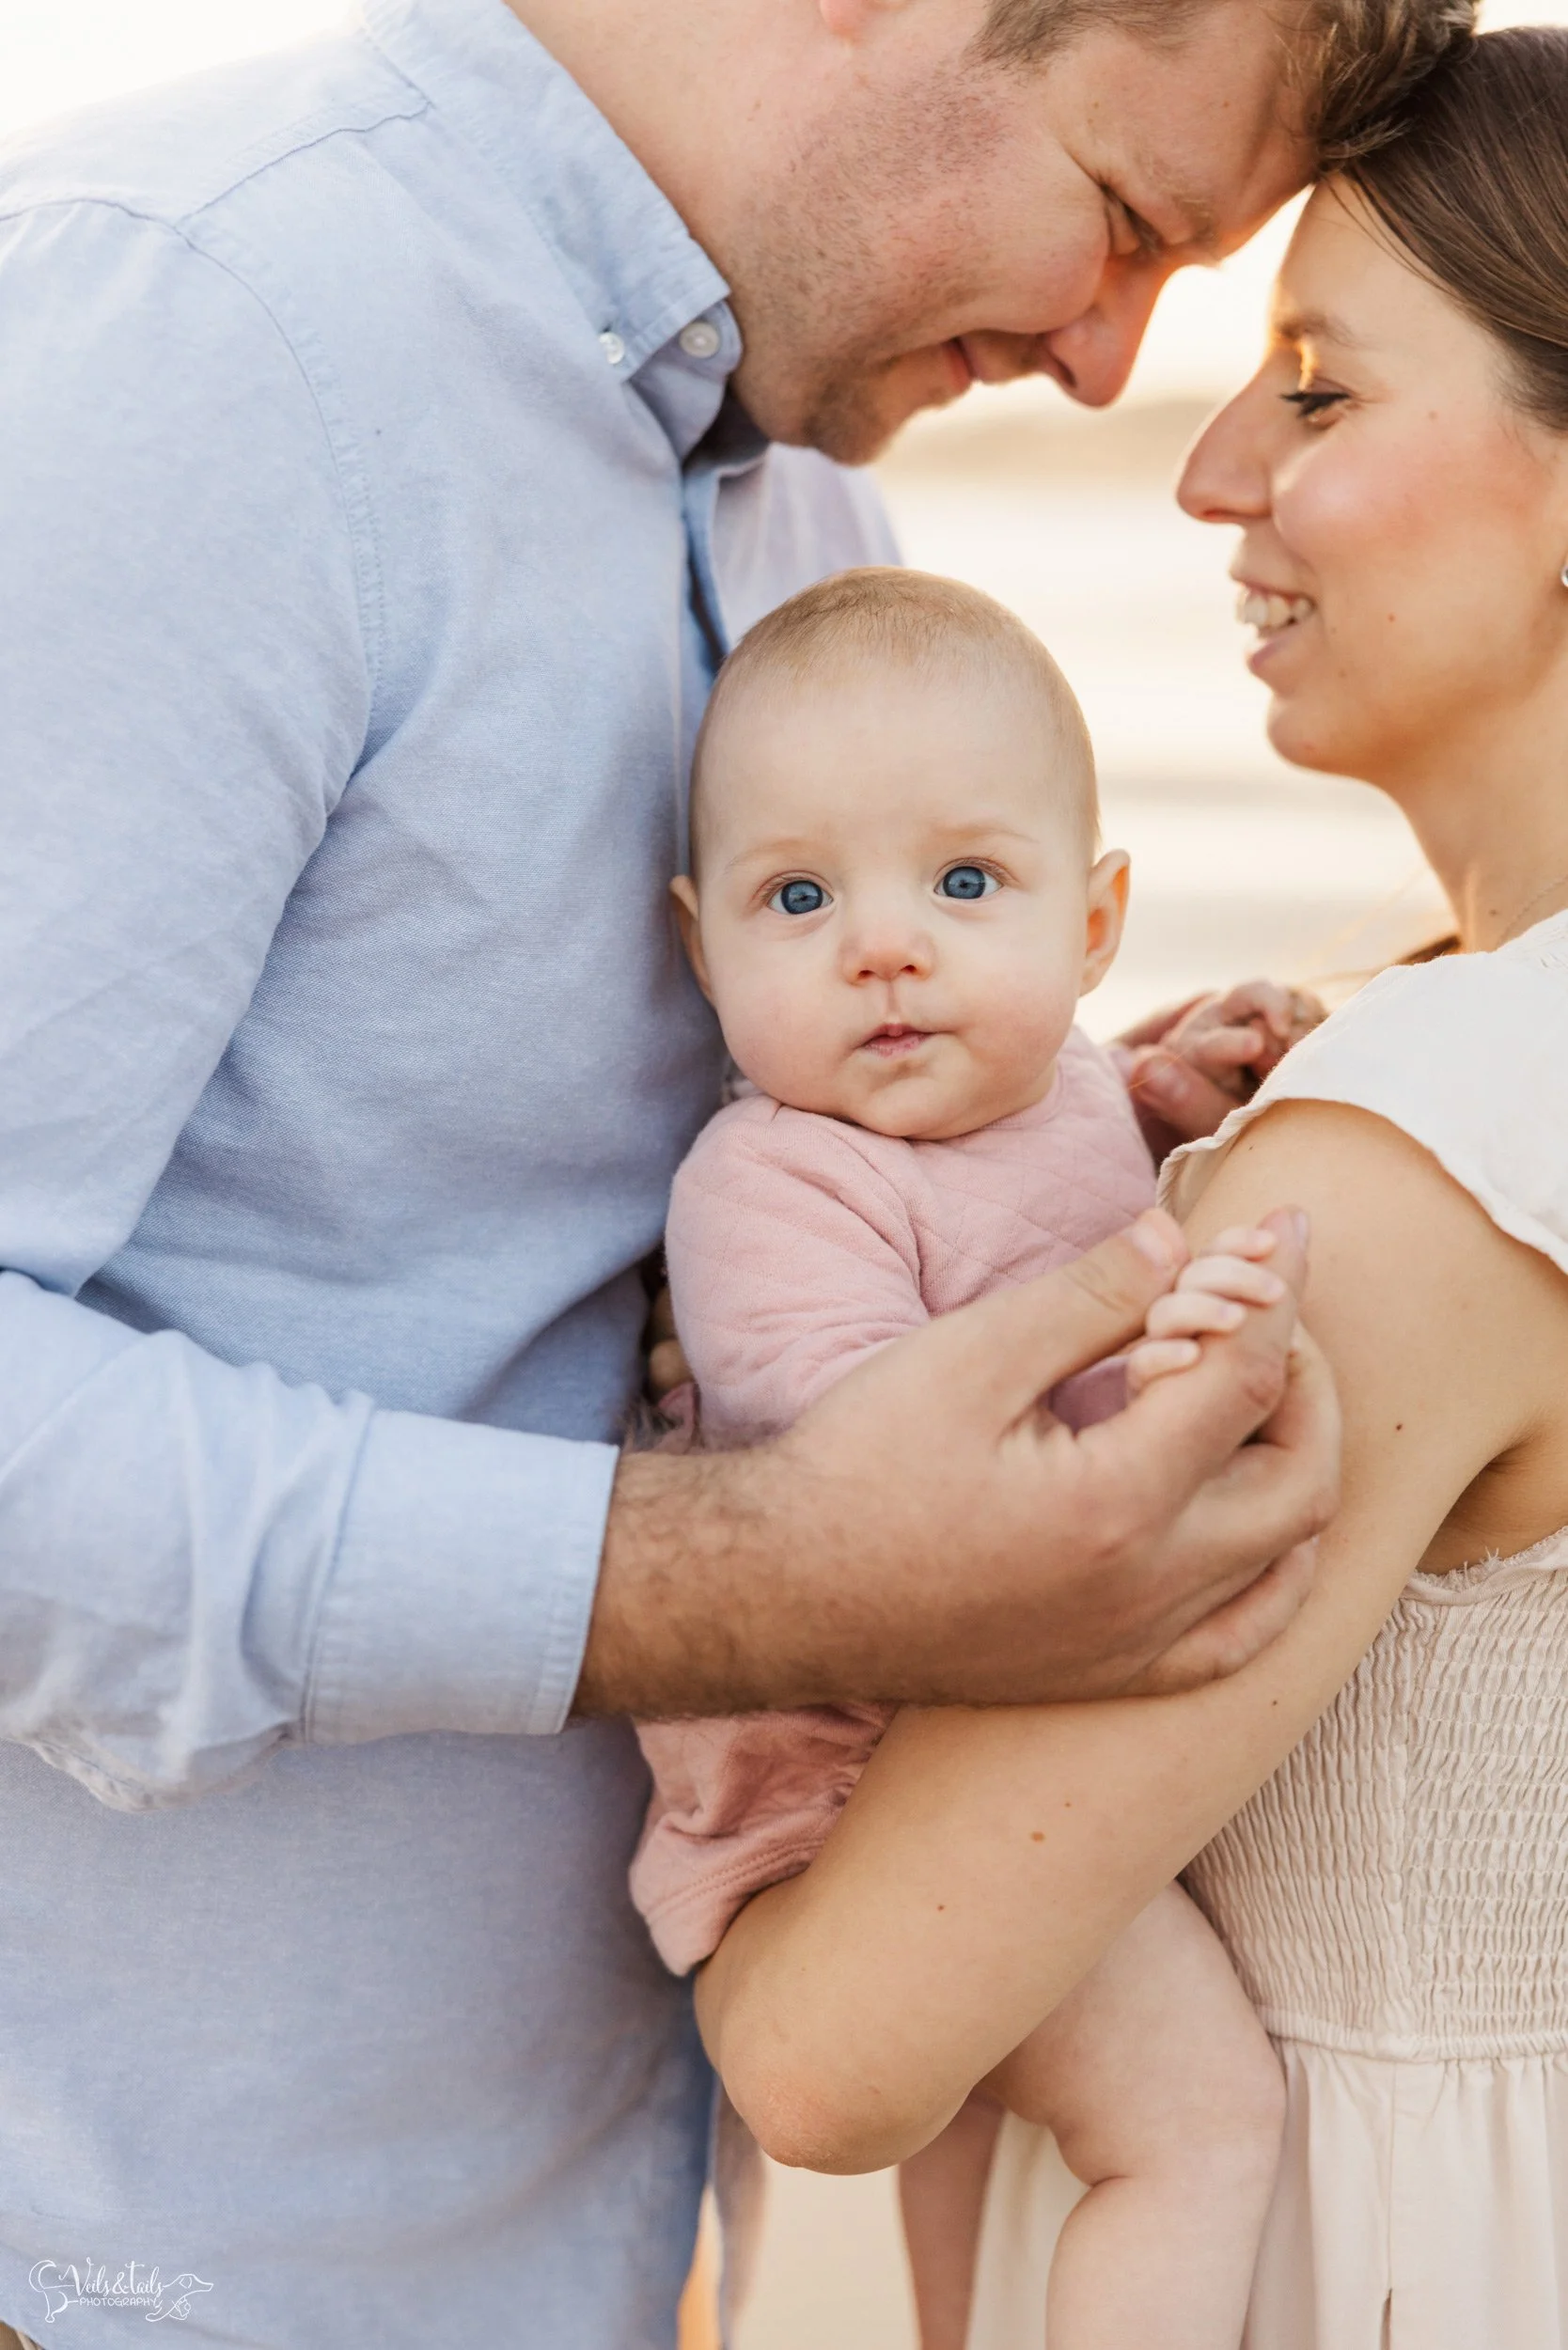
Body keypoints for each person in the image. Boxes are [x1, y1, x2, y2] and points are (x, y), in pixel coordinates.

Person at [0, 0, 1459, 2342]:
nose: (1112, 370)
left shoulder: (811, 528)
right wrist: (767, 1571)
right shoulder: (200, 330)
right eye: (1122, 221)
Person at [692, 24, 1568, 2348]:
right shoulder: (1411, 1057)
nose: (1199, 472)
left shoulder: (1439, 1149)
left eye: (1315, 390)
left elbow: (832, 2042)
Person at [629, 564, 1321, 2348]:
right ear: (703, 949)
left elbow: (1057, 1155)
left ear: (1092, 928)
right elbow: (886, 1484)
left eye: (963, 883)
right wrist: (1169, 1359)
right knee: (1195, 2124)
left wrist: (1184, 1095)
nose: (886, 946)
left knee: (981, 2144)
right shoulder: (771, 1183)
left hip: (955, 1729)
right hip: (845, 1783)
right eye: (801, 898)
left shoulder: (1072, 1080)